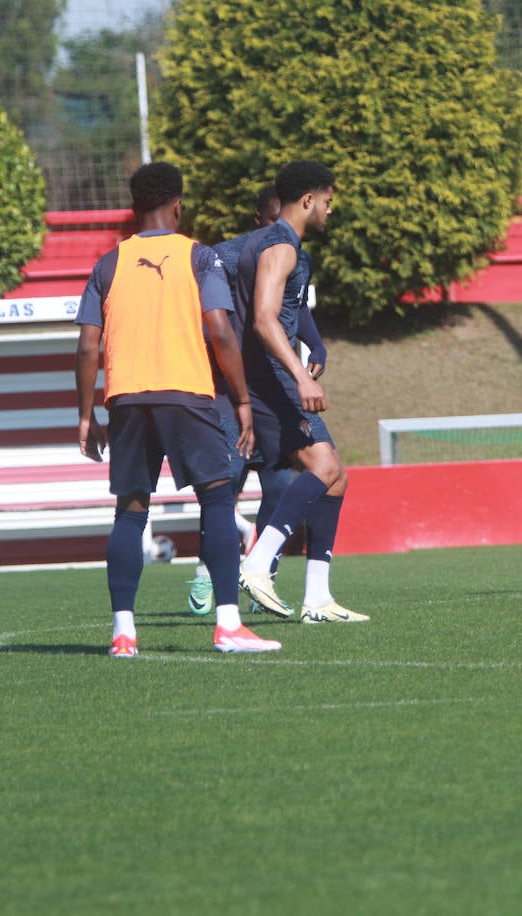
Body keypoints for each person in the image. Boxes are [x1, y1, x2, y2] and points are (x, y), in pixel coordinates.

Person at [74, 161, 281, 656]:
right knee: (215, 499)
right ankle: (228, 625)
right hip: (186, 394)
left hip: (125, 397)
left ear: (133, 206)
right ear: (177, 205)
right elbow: (220, 328)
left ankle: (124, 633)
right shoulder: (199, 257)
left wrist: (86, 415)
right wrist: (245, 399)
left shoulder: (108, 264)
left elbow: (86, 346)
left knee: (130, 510)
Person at [233, 160, 368, 624]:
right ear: (308, 200)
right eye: (328, 202)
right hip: (271, 378)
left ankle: (317, 599)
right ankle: (258, 562)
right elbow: (264, 319)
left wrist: (312, 349)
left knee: (337, 476)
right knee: (324, 465)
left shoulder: (282, 247)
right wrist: (300, 374)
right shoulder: (279, 246)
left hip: (272, 375)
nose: (331, 211)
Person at [186, 184, 329, 616]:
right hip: (230, 393)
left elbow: (294, 305)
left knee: (282, 485)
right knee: (224, 482)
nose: (275, 233)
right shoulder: (226, 257)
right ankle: (207, 570)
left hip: (271, 391)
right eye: (269, 224)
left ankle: (261, 574)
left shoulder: (291, 253)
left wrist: (317, 346)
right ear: (257, 222)